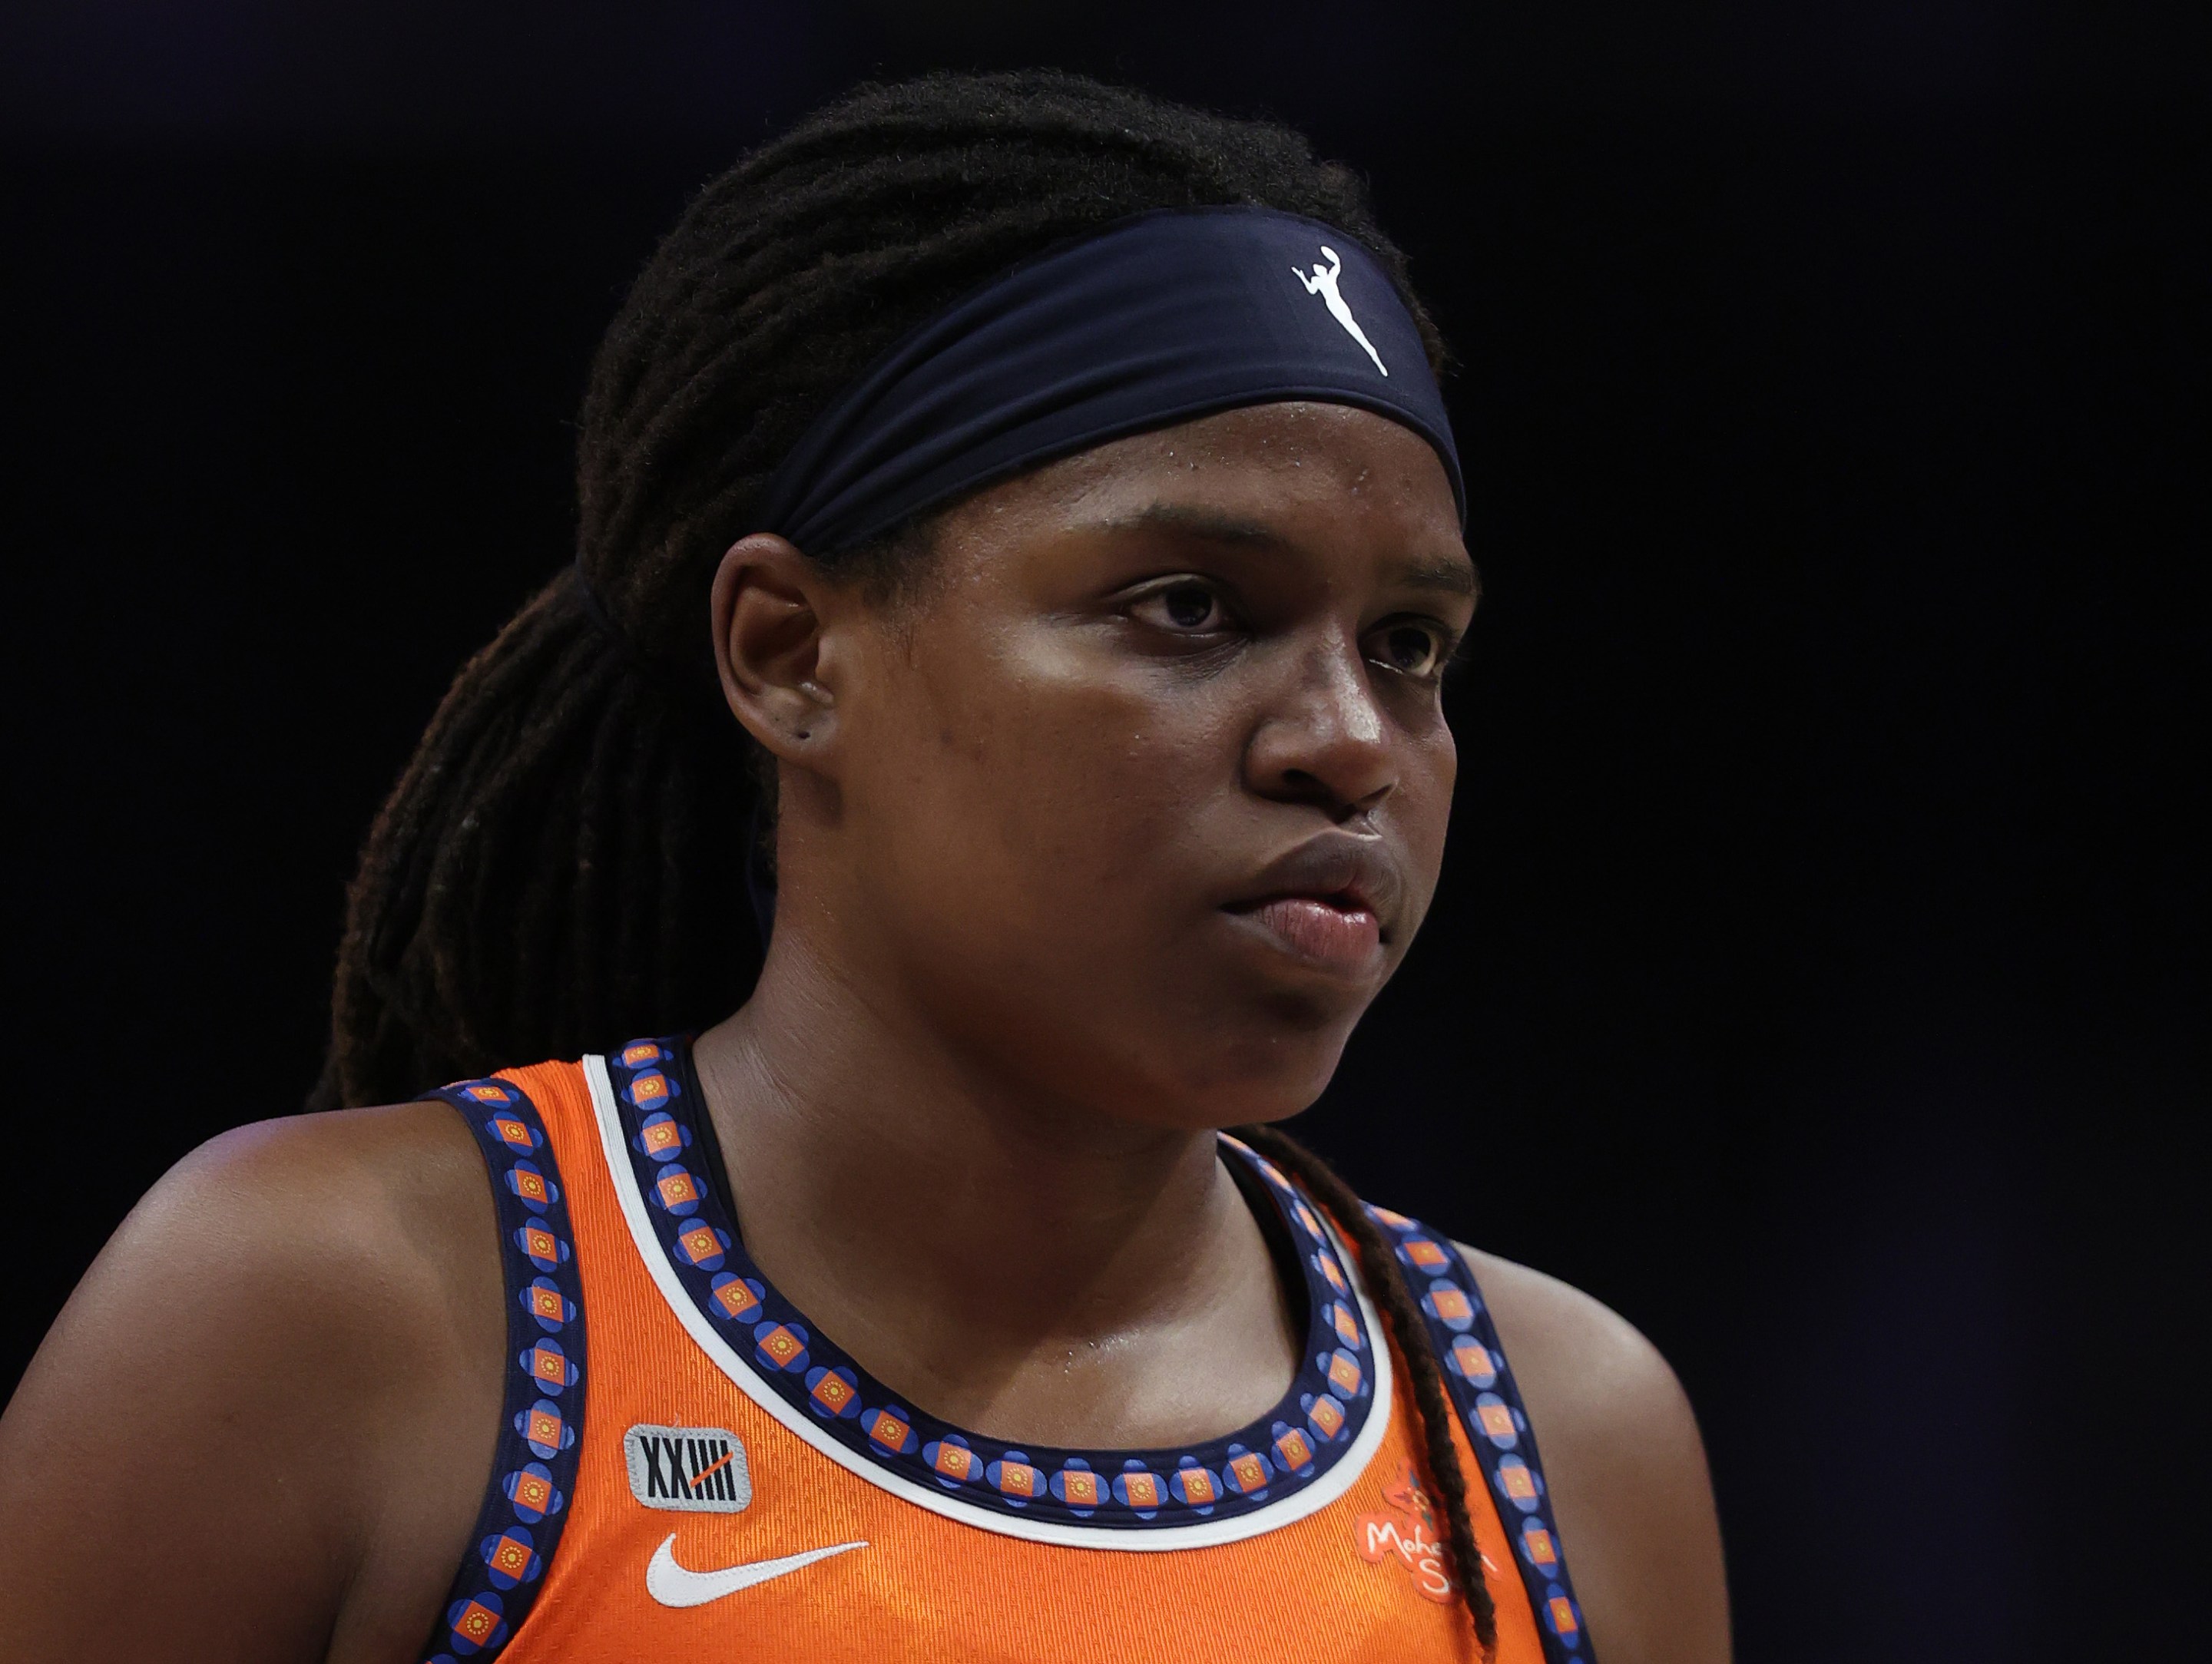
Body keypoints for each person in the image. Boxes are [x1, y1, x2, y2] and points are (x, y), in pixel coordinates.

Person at [0, 71, 1728, 1664]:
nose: (1349, 738)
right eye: (1192, 607)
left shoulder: (1553, 1440)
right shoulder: (345, 1313)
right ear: (789, 655)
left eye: (1415, 645)